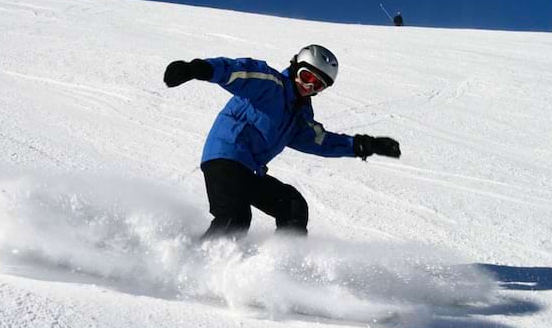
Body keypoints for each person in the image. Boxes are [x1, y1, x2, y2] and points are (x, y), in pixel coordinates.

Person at [163, 44, 402, 240]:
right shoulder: (270, 84)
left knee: (292, 205)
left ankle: (284, 265)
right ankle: (195, 264)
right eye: (306, 76)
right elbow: (237, 72)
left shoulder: (297, 117)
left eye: (317, 85)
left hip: (249, 170)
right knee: (235, 218)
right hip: (225, 156)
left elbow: (322, 141)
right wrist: (197, 69)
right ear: (295, 66)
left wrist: (365, 145)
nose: (308, 86)